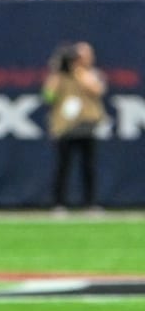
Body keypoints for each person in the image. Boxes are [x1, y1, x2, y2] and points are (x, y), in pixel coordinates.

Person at [43, 42, 106, 211]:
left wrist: (78, 71)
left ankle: (90, 203)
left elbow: (97, 90)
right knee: (63, 167)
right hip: (65, 127)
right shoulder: (59, 77)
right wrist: (57, 72)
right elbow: (48, 96)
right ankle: (59, 203)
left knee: (88, 167)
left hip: (87, 125)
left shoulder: (91, 74)